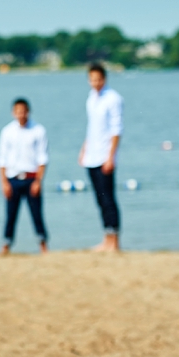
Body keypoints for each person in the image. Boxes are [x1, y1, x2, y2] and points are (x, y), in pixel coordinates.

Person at [0, 98, 49, 254]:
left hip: (32, 177)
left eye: (23, 111)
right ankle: (6, 244)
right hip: (13, 178)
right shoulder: (7, 131)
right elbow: (1, 159)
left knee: (37, 214)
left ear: (28, 111)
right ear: (13, 113)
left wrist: (38, 181)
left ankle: (43, 244)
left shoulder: (38, 130)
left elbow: (43, 158)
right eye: (17, 111)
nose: (21, 114)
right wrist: (4, 182)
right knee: (10, 215)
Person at [79, 62, 123, 252]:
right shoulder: (91, 98)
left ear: (104, 79)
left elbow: (116, 130)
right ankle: (106, 238)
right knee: (99, 199)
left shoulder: (113, 99)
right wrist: (84, 149)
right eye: (92, 79)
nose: (95, 83)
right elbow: (92, 128)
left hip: (105, 156)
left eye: (98, 79)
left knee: (108, 199)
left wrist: (110, 157)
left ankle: (115, 241)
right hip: (92, 155)